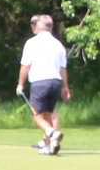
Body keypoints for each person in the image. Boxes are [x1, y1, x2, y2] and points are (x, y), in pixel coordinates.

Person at [17, 13, 71, 154]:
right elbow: (63, 69)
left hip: (40, 83)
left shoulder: (32, 43)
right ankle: (51, 145)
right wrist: (65, 87)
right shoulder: (58, 45)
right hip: (55, 82)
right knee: (49, 114)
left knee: (37, 116)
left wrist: (20, 84)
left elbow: (25, 66)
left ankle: (52, 133)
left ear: (39, 27)